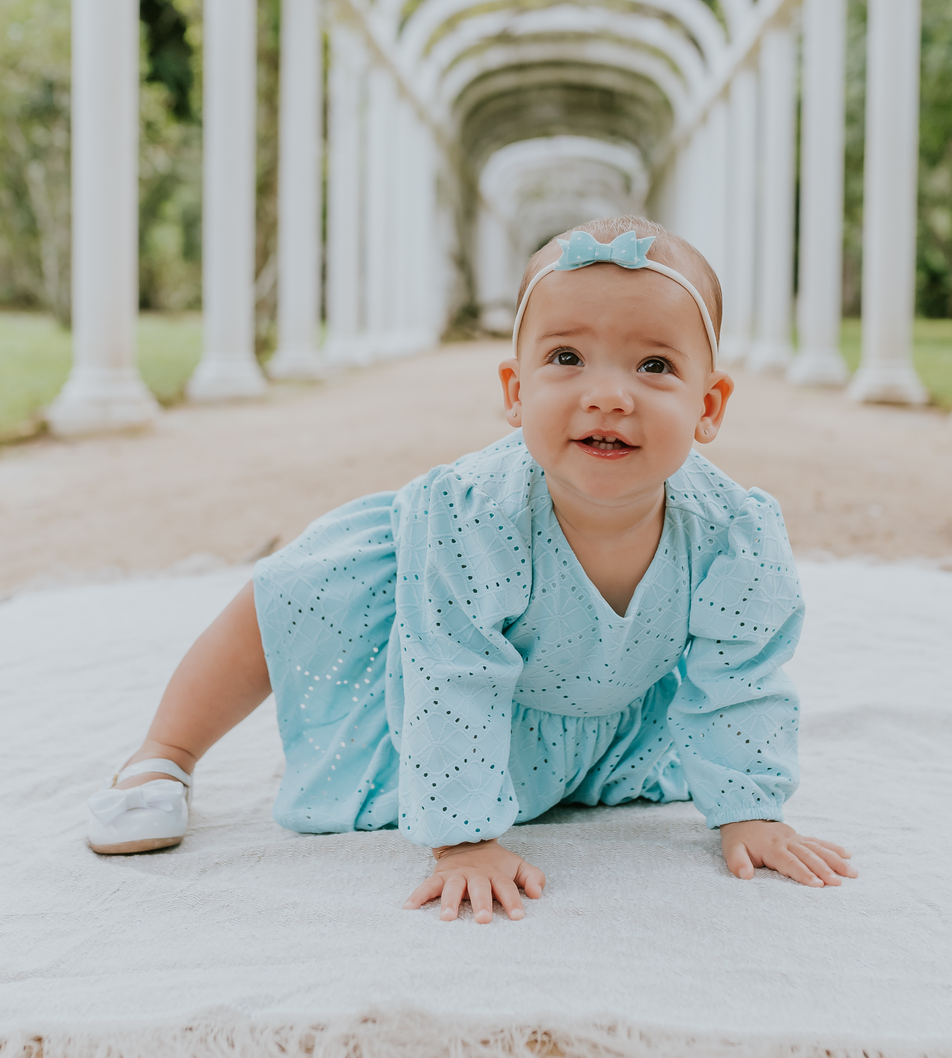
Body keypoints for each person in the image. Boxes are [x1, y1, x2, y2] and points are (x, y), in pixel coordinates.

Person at [86, 216, 855, 921]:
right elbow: (449, 670)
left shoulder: (735, 533)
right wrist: (463, 837)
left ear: (709, 406)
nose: (609, 395)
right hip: (431, 667)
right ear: (516, 393)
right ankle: (165, 755)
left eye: (654, 365)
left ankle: (579, 773)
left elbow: (743, 673)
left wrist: (750, 809)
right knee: (293, 591)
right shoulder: (475, 516)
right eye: (566, 358)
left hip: (597, 709)